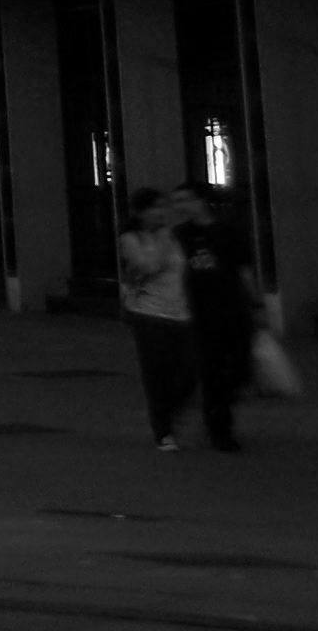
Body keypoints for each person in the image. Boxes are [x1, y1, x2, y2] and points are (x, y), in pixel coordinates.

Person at [175, 182, 259, 451]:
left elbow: (244, 270)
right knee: (211, 370)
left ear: (201, 201)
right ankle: (219, 427)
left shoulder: (227, 232)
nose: (182, 206)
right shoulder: (180, 235)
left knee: (239, 369)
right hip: (199, 312)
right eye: (179, 201)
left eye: (186, 199)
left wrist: (255, 303)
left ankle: (217, 406)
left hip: (232, 308)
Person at [117, 185, 197, 450]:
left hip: (180, 313)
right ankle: (163, 430)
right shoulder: (131, 239)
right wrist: (163, 236)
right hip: (148, 314)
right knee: (157, 373)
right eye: (154, 208)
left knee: (188, 372)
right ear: (140, 212)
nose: (160, 213)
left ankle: (170, 414)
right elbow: (150, 266)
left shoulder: (174, 237)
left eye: (163, 207)